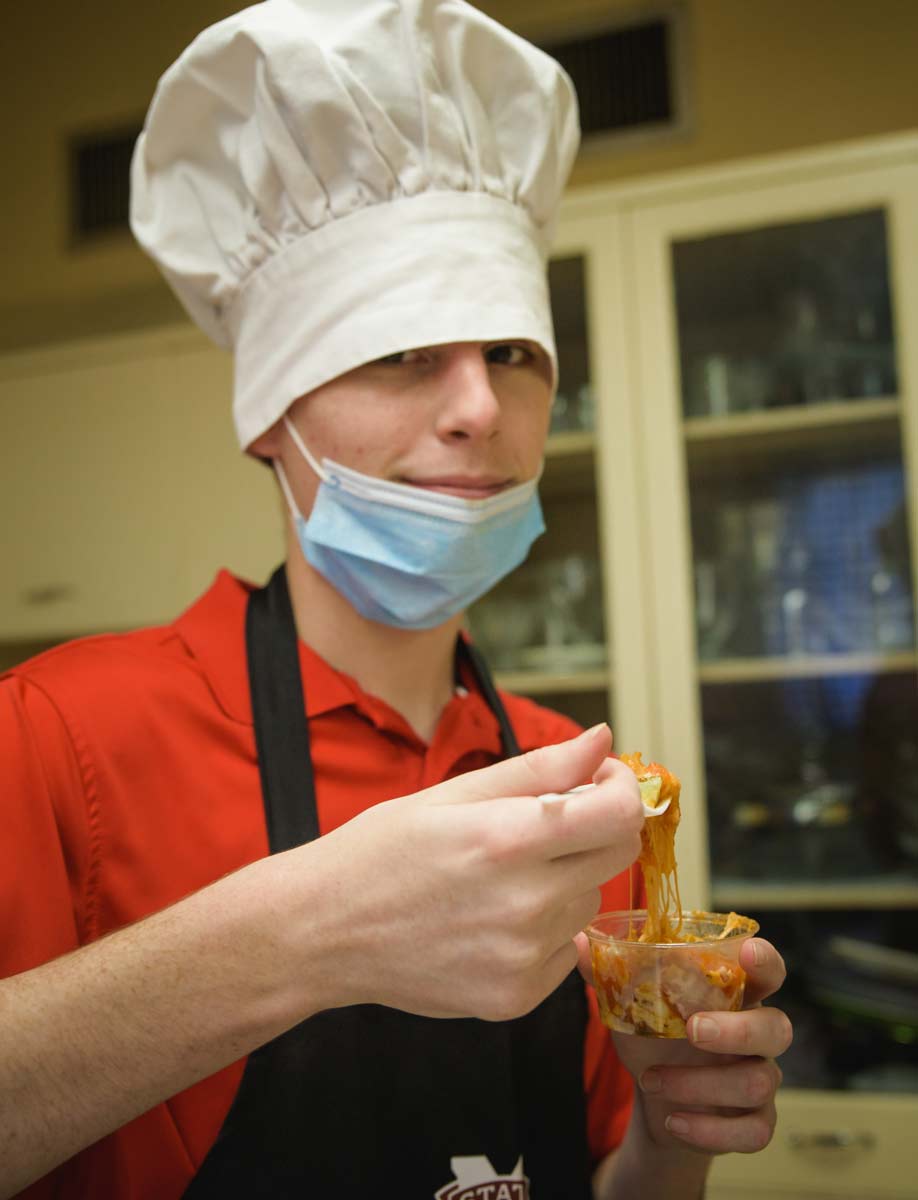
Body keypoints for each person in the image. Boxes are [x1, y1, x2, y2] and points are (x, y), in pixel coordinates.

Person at [0, 2, 791, 1197]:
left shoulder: (571, 789)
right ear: (271, 411)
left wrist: (672, 1134)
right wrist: (315, 929)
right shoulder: (60, 737)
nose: (481, 406)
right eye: (404, 351)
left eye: (515, 353)